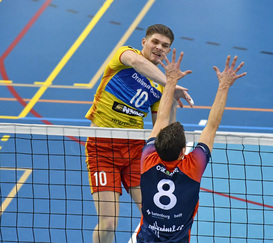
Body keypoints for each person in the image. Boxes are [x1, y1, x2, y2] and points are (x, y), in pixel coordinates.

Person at [84, 24, 194, 243]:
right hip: (102, 150)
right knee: (108, 223)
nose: (159, 48)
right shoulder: (125, 55)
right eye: (155, 42)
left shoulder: (162, 86)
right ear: (144, 42)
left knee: (156, 214)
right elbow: (137, 63)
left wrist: (170, 98)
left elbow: (161, 130)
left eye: (165, 46)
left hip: (135, 153)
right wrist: (170, 82)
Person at [137, 49, 246, 242]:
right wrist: (224, 86)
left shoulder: (148, 158)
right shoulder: (192, 166)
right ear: (183, 152)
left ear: (157, 146)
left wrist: (170, 80)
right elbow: (212, 126)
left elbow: (161, 119)